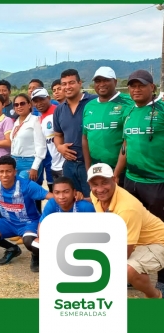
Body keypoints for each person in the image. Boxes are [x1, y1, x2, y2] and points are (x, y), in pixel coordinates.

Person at [116, 70, 164, 290]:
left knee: (159, 231)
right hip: (131, 180)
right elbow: (125, 148)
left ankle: (163, 279)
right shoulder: (129, 113)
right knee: (132, 228)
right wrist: (117, 174)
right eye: (132, 86)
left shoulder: (161, 110)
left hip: (157, 182)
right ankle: (134, 272)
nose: (135, 90)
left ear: (152, 88)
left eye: (141, 86)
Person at [87, 163, 164, 299]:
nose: (99, 189)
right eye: (95, 184)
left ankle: (155, 297)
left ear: (115, 179)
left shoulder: (127, 208)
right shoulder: (96, 195)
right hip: (136, 241)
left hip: (158, 242)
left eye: (104, 183)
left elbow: (125, 252)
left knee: (128, 269)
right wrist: (79, 198)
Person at [82, 67, 133, 187]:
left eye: (106, 80)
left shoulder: (129, 102)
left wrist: (116, 174)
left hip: (124, 173)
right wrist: (88, 169)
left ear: (115, 82)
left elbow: (130, 140)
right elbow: (85, 138)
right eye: (98, 81)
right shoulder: (89, 106)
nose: (101, 84)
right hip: (97, 171)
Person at [53, 69, 98, 198]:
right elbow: (58, 135)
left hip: (91, 164)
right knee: (72, 201)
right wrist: (60, 147)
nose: (67, 87)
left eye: (71, 83)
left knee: (95, 201)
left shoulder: (94, 102)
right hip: (69, 166)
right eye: (64, 84)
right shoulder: (59, 109)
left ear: (80, 83)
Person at [9, 94, 47, 196]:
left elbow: (41, 145)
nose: (19, 106)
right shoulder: (16, 122)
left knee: (20, 191)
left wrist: (34, 167)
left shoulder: (35, 120)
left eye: (22, 103)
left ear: (29, 105)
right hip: (15, 162)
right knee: (20, 195)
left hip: (29, 162)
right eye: (16, 105)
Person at [31, 88, 65, 183]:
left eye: (42, 99)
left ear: (49, 98)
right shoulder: (40, 118)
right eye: (36, 101)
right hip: (54, 165)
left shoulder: (59, 111)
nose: (39, 103)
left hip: (66, 165)